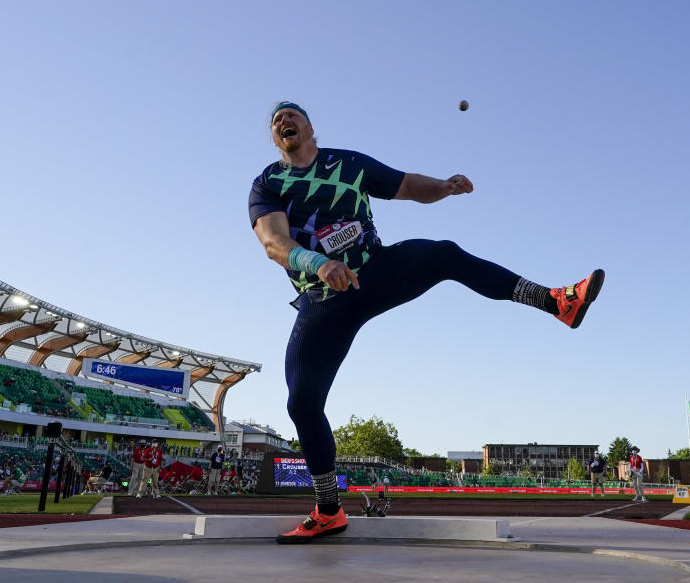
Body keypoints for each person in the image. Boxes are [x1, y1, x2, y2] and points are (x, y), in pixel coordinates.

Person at [249, 102, 606, 543]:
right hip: (322, 299)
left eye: (292, 115)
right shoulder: (269, 182)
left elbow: (405, 185)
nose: (284, 121)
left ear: (310, 126)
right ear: (273, 137)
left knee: (444, 254)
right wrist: (319, 263)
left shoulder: (348, 163)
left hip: (372, 274)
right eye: (276, 120)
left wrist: (445, 186)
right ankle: (328, 510)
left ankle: (556, 302)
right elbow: (273, 242)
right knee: (301, 403)